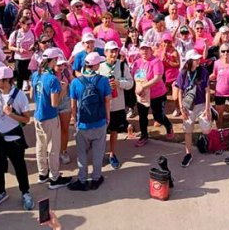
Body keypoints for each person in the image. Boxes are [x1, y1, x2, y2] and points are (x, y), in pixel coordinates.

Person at [0, 66, 34, 211]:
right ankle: (1, 192)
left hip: (14, 137)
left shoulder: (19, 95)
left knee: (19, 166)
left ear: (6, 80)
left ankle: (25, 193)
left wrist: (10, 114)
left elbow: (26, 119)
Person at [67, 52, 111, 191]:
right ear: (96, 65)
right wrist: (107, 117)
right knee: (98, 152)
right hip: (100, 122)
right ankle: (96, 178)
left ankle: (82, 180)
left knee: (82, 153)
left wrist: (75, 119)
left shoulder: (75, 82)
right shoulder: (103, 80)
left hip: (83, 124)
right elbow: (107, 101)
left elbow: (73, 105)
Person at [30, 48, 72, 190]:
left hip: (38, 115)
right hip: (50, 116)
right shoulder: (53, 79)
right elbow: (55, 103)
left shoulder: (36, 75)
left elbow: (32, 96)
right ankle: (55, 177)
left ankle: (43, 173)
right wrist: (63, 90)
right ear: (53, 61)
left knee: (40, 146)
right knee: (53, 148)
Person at [97, 41, 133, 169]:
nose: (113, 54)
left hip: (117, 105)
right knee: (101, 132)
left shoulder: (122, 65)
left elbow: (130, 83)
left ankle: (112, 154)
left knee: (114, 131)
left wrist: (119, 83)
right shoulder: (99, 67)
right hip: (102, 105)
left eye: (115, 51)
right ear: (105, 52)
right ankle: (99, 154)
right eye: (111, 51)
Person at [132, 41, 174, 147]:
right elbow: (134, 77)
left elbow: (157, 77)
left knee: (158, 117)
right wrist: (138, 89)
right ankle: (144, 135)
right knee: (142, 116)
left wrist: (143, 87)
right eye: (142, 49)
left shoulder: (156, 61)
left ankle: (168, 125)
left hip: (157, 94)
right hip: (142, 95)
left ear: (151, 50)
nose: (144, 51)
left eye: (146, 49)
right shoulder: (137, 62)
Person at [176, 50, 212, 167]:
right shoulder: (183, 73)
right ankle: (188, 154)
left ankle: (212, 111)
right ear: (190, 61)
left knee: (206, 129)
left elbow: (207, 91)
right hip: (188, 106)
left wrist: (207, 108)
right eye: (196, 59)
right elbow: (180, 91)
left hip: (201, 104)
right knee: (187, 130)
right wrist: (182, 108)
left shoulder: (203, 71)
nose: (199, 61)